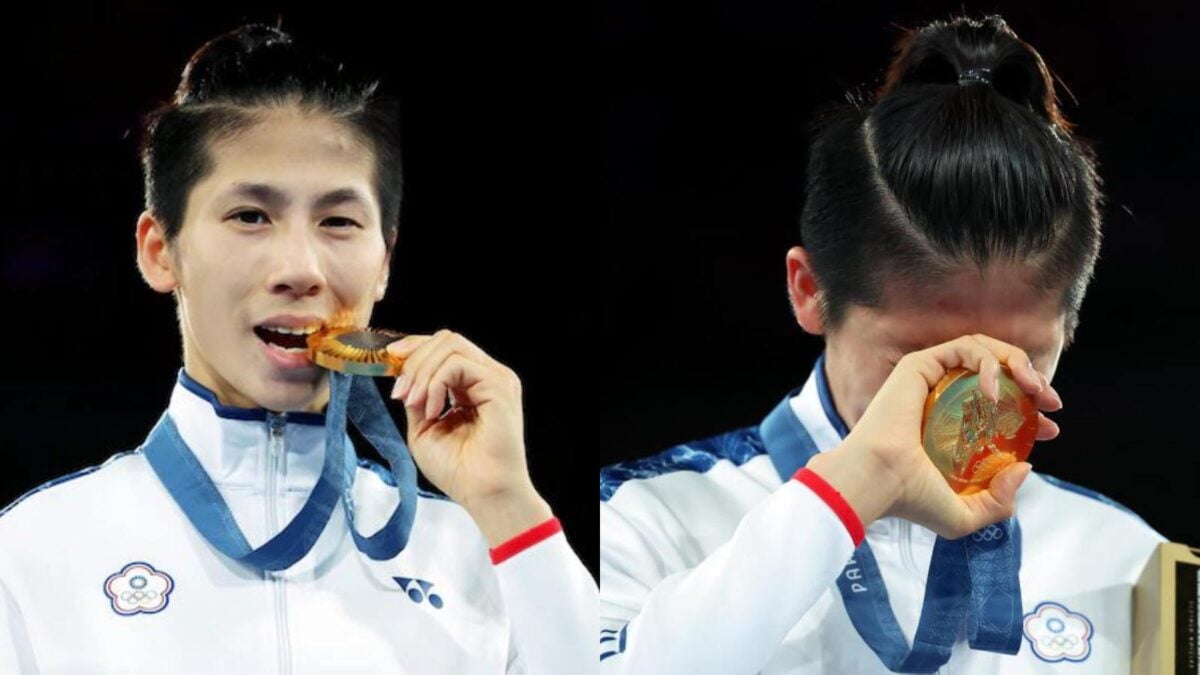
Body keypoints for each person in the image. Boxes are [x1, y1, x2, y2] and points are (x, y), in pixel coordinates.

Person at [0, 23, 595, 673]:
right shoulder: (33, 554)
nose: (300, 267)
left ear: (384, 262)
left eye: (338, 221)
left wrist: (508, 502)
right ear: (159, 250)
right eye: (251, 215)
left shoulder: (477, 556)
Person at [599, 14, 1162, 674]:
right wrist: (854, 485)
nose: (974, 396)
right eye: (923, 362)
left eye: (1021, 360)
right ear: (809, 290)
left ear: (1069, 325)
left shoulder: (1132, 562)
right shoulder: (635, 521)